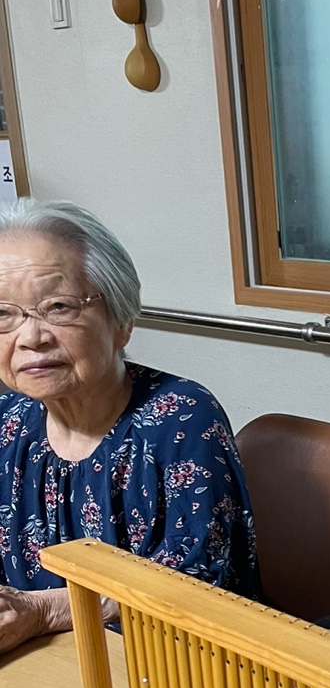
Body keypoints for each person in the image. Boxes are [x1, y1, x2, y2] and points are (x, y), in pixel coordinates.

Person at [0, 199, 259, 655]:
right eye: (4, 314)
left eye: (58, 307)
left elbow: (193, 586)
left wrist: (41, 611)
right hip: (44, 664)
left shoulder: (182, 417)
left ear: (121, 321)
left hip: (177, 666)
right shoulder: (9, 419)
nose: (31, 337)